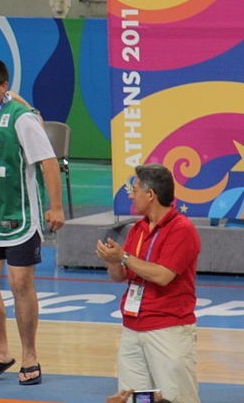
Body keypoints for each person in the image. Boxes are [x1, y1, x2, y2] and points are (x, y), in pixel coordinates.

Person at [0, 57, 64, 385]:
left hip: (18, 217)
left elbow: (48, 162)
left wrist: (56, 207)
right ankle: (0, 352)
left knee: (21, 285)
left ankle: (30, 355)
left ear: (4, 86)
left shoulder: (22, 119)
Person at [96, 163, 200, 403]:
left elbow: (163, 275)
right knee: (136, 399)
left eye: (135, 189)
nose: (131, 195)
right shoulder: (138, 228)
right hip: (133, 328)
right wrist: (112, 260)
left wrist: (123, 257)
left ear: (150, 195)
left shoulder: (182, 229)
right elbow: (121, 275)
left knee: (176, 398)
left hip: (168, 329)